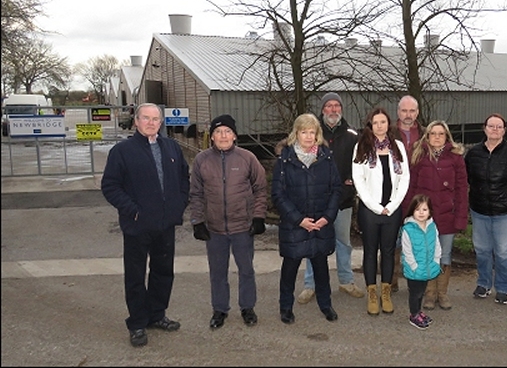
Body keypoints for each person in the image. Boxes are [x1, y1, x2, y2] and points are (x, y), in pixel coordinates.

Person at [101, 103, 190, 347]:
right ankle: (138, 323)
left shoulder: (171, 147)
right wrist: (133, 211)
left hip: (165, 224)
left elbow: (184, 178)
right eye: (146, 118)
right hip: (137, 226)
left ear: (161, 122)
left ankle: (157, 315)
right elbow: (110, 186)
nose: (151, 123)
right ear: (137, 121)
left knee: (163, 272)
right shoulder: (122, 151)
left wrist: (179, 205)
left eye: (155, 119)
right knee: (135, 276)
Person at [189, 114, 268, 329]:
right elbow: (195, 193)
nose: (223, 135)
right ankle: (220, 309)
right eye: (218, 132)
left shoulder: (247, 158)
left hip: (243, 226)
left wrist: (259, 216)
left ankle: (247, 307)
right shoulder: (201, 160)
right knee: (217, 272)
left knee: (246, 270)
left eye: (227, 131)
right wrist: (197, 220)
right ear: (212, 137)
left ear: (234, 135)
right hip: (214, 229)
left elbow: (260, 189)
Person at [271, 113, 342, 324]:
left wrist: (327, 217)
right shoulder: (285, 160)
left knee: (321, 269)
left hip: (320, 223)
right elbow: (278, 195)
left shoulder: (326, 158)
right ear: (296, 133)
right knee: (290, 269)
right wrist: (298, 219)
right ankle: (285, 307)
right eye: (304, 132)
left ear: (318, 134)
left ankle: (326, 305)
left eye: (312, 132)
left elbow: (336, 189)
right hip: (295, 225)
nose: (309, 137)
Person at [297, 92, 364, 304]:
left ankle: (346, 281)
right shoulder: (313, 134)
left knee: (343, 242)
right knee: (314, 242)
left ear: (341, 110)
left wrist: (351, 182)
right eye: (329, 106)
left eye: (337, 106)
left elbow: (360, 164)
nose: (333, 109)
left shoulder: (352, 135)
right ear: (323, 109)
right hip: (316, 201)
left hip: (343, 202)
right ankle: (311, 285)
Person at [464, 113, 507, 305]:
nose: (495, 130)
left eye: (499, 127)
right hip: (480, 210)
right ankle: (483, 284)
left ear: (504, 130)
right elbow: (467, 179)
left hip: (506, 212)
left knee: (503, 252)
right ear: (484, 129)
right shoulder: (474, 153)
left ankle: (502, 288)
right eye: (491, 126)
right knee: (482, 250)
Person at [404, 120, 468, 311]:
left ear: (447, 136)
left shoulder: (456, 159)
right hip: (424, 218)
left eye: (441, 134)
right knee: (426, 253)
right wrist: (408, 214)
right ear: (427, 136)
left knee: (445, 255)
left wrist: (460, 216)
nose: (437, 137)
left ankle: (442, 293)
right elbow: (412, 188)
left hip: (448, 215)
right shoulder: (419, 156)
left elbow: (462, 190)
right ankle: (430, 294)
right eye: (433, 133)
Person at [352, 107, 410, 316]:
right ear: (370, 125)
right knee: (370, 251)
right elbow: (358, 180)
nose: (379, 126)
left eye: (383, 122)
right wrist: (376, 207)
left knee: (388, 252)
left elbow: (404, 178)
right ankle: (372, 294)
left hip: (392, 209)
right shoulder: (362, 147)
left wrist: (392, 205)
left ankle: (386, 292)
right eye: (375, 122)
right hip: (370, 210)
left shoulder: (399, 147)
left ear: (389, 124)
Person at [391, 95, 422, 293]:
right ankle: (391, 280)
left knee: (417, 241)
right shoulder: (388, 132)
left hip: (419, 195)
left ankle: (416, 281)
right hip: (393, 194)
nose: (408, 115)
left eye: (412, 111)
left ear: (417, 113)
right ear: (398, 112)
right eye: (404, 111)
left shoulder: (426, 134)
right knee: (392, 242)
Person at [400, 194, 442, 330]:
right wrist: (414, 266)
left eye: (424, 209)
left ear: (430, 211)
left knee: (421, 292)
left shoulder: (432, 227)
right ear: (412, 211)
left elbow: (437, 244)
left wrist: (436, 260)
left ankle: (418, 312)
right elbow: (407, 251)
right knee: (415, 293)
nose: (421, 213)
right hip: (415, 269)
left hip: (428, 266)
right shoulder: (408, 229)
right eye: (418, 210)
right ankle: (414, 314)